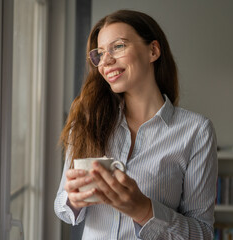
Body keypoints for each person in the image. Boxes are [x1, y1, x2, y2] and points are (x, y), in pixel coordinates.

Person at [54, 9, 217, 240]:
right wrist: (73, 199)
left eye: (118, 46)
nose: (106, 61)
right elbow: (62, 206)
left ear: (153, 50)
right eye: (100, 53)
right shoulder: (86, 119)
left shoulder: (196, 131)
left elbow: (203, 233)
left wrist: (144, 210)